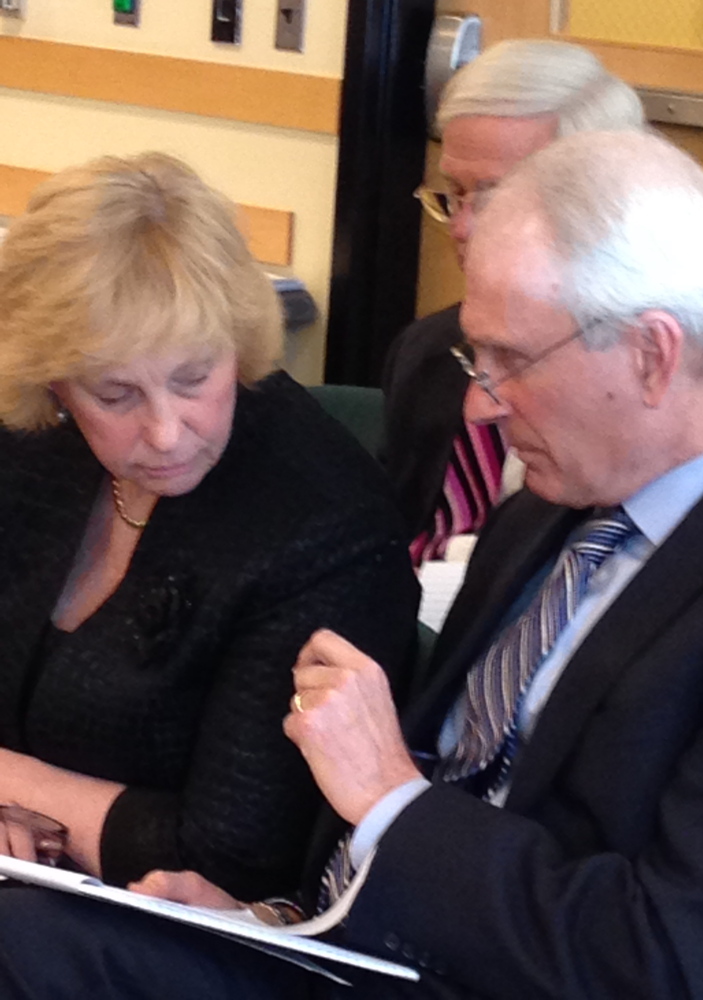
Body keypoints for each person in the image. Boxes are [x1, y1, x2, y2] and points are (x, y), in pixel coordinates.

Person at [2, 129, 703, 999]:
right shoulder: (547, 510)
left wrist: (394, 802)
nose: (478, 400)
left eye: (511, 359)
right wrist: (268, 919)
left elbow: (673, 961)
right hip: (353, 947)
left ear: (653, 356)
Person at [0, 152, 418, 902]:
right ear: (54, 381)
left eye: (195, 378)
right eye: (115, 393)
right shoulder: (29, 445)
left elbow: (228, 854)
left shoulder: (321, 522)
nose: (165, 432)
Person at [382, 38, 645, 565]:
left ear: (599, 199)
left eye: (494, 196)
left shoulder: (644, 388)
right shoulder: (428, 352)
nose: (462, 227)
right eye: (455, 193)